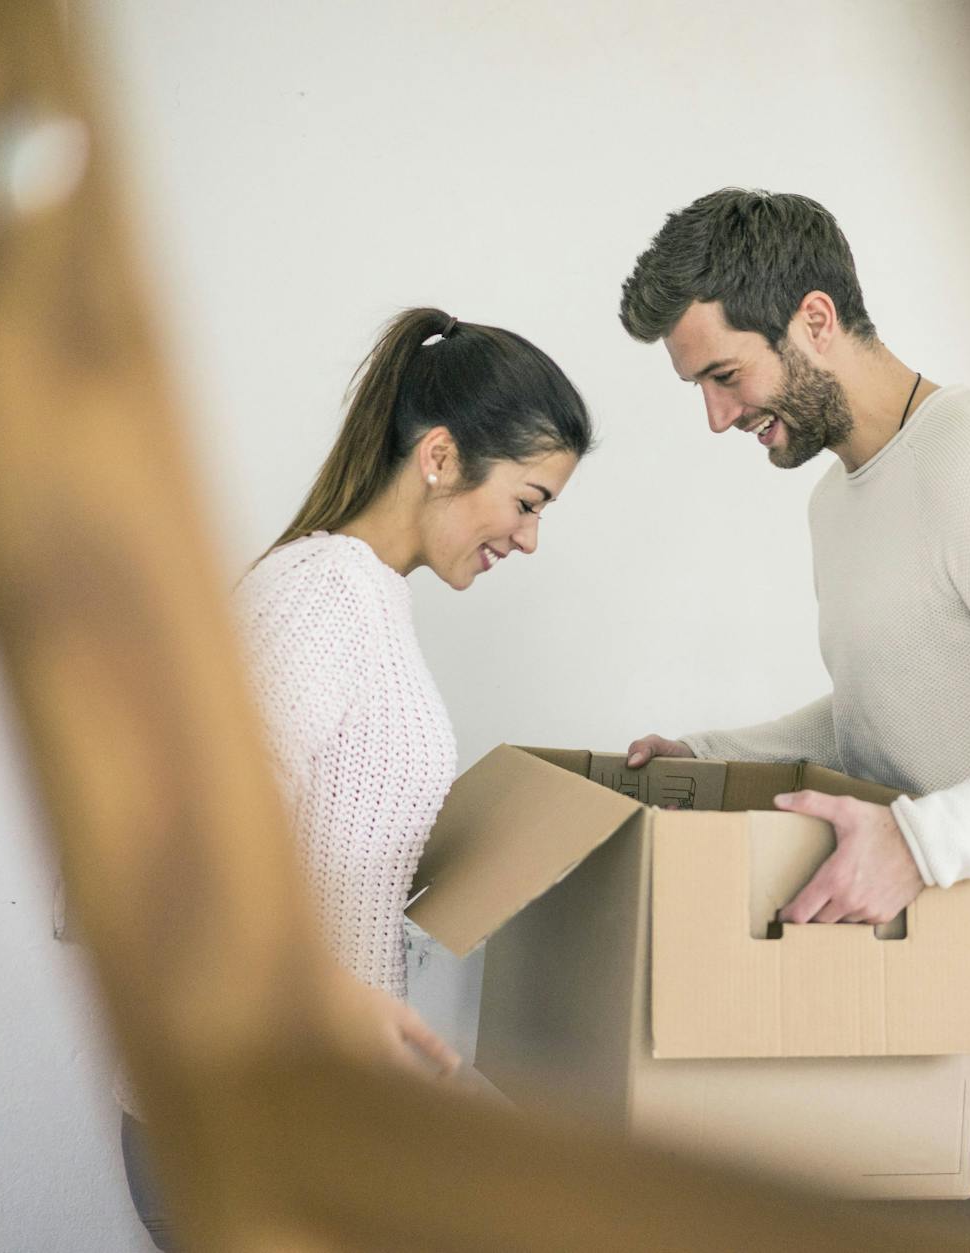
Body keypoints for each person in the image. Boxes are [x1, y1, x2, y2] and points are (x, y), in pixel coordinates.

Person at [617, 190, 970, 1248]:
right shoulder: (836, 502)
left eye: (724, 376)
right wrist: (711, 754)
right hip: (924, 993)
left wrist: (919, 843)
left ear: (814, 320)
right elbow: (877, 712)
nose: (716, 418)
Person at [118, 307, 591, 1250]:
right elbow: (187, 848)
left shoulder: (368, 599)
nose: (531, 540)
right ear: (443, 456)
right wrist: (334, 1002)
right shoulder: (322, 594)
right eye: (530, 501)